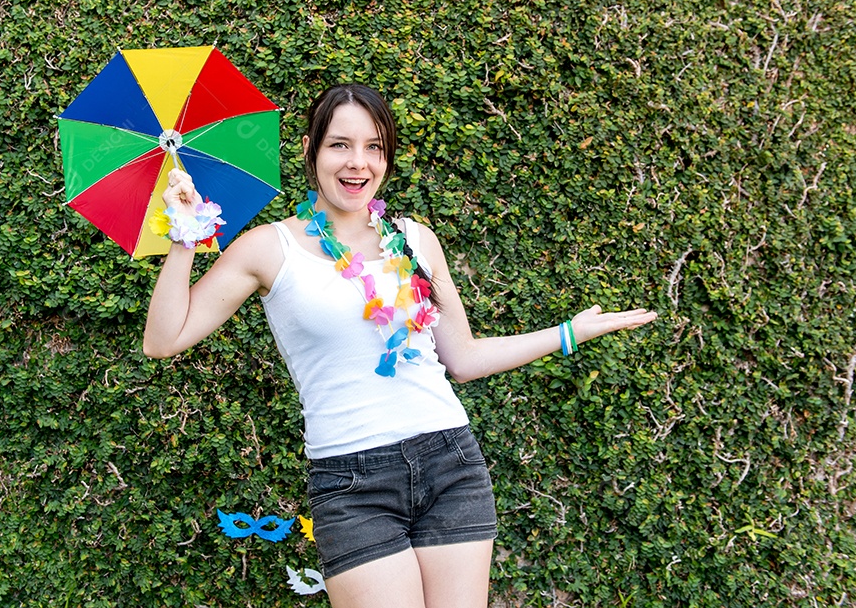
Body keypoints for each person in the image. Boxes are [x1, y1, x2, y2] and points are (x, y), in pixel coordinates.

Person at [144, 84, 658, 608]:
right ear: (310, 150)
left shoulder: (414, 239)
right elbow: (164, 340)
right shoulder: (269, 249)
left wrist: (570, 332)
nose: (358, 163)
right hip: (352, 482)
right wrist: (186, 234)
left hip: (450, 463)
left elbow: (463, 358)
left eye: (374, 147)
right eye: (340, 145)